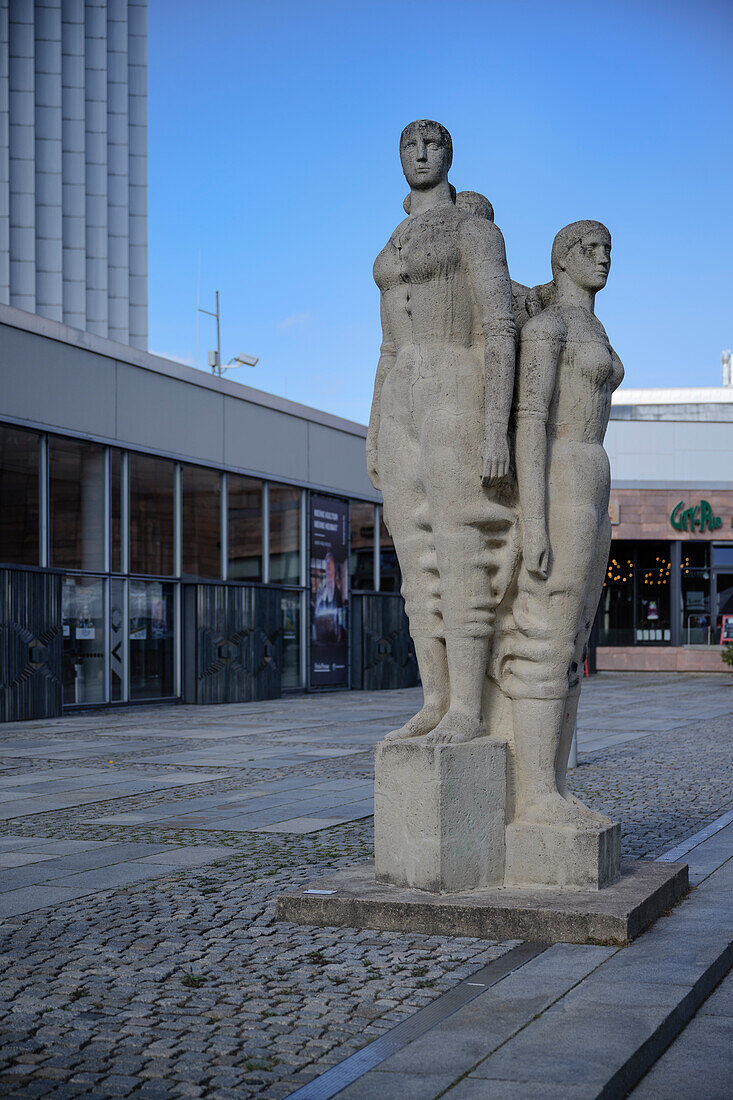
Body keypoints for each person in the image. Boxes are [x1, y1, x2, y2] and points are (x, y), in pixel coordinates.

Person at [368, 120, 519, 745]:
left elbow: (499, 326)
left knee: (459, 547)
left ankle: (467, 707)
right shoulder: (396, 237)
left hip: (456, 379)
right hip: (401, 391)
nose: (421, 154)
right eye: (409, 145)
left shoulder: (472, 228)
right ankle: (434, 697)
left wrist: (494, 425)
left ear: (450, 154)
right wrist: (374, 428)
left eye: (432, 145)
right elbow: (384, 343)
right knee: (415, 553)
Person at [495, 220, 624, 826]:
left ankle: (556, 782)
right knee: (548, 628)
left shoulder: (592, 326)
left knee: (574, 636)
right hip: (563, 472)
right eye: (590, 250)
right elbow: (531, 422)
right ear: (562, 259)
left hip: (593, 473)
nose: (603, 259)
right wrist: (535, 522)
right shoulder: (548, 329)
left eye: (607, 251)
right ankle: (534, 794)